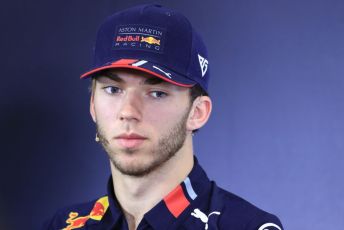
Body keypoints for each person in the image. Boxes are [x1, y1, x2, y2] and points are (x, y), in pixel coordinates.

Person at [44, 4, 283, 230]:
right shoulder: (64, 224)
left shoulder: (246, 226)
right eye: (113, 90)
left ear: (197, 112)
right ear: (93, 106)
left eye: (157, 93)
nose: (128, 111)